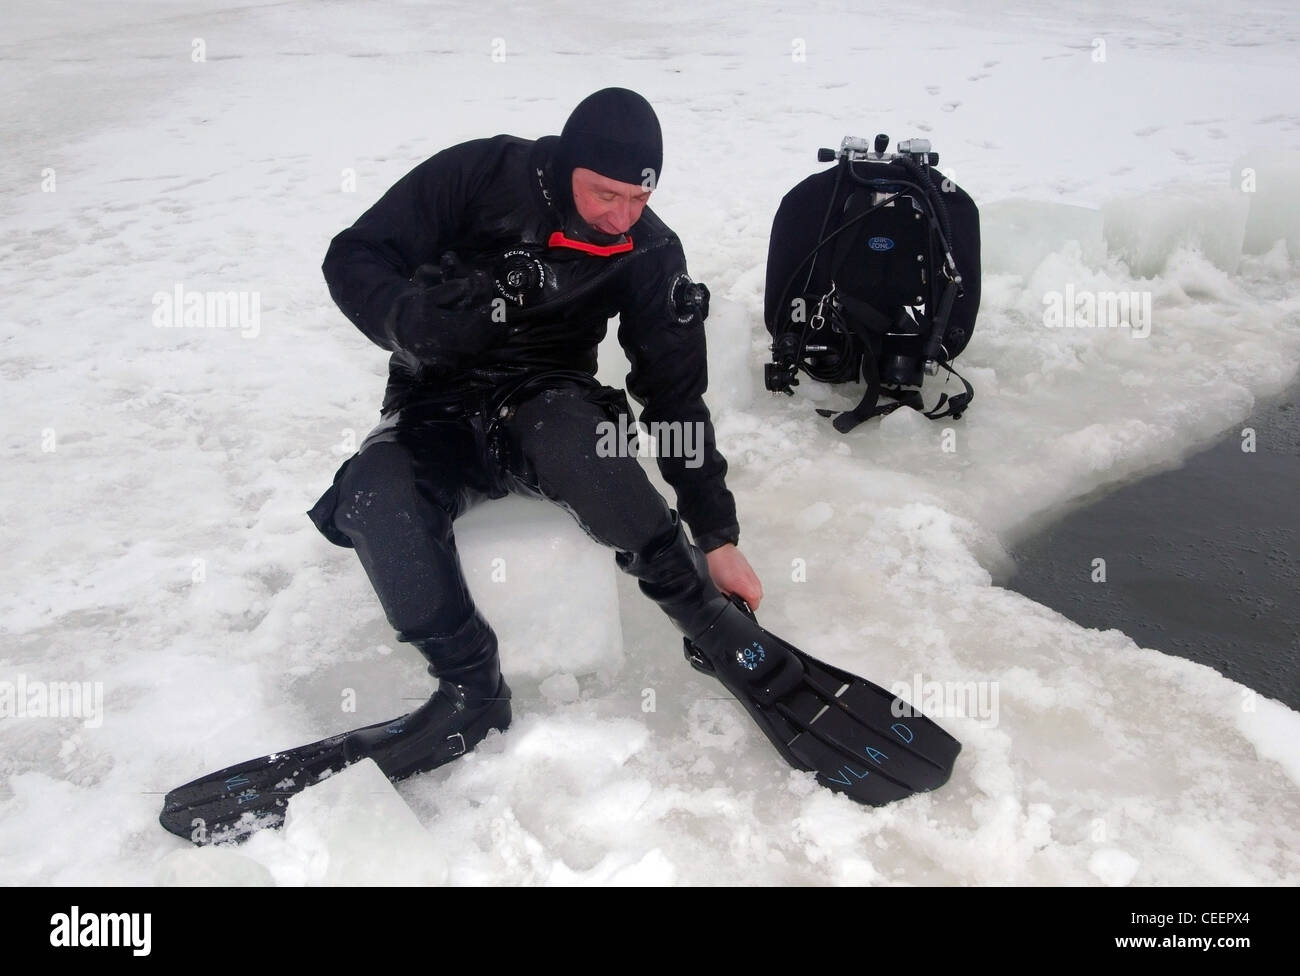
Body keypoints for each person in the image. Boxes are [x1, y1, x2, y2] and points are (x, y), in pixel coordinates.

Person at [306, 87, 763, 779]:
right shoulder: (479, 175)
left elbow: (675, 399)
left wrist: (719, 539)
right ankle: (469, 690)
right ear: (568, 165)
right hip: (436, 397)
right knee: (373, 492)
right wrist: (408, 319)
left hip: (550, 396)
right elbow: (355, 254)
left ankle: (703, 619)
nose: (623, 216)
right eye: (606, 194)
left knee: (581, 443)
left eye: (639, 199)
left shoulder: (648, 248)